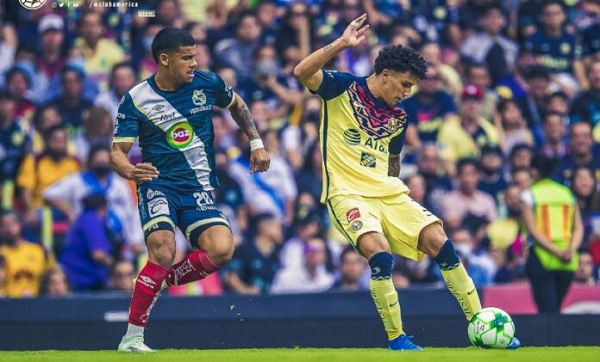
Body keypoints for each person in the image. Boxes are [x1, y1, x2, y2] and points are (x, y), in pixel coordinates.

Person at [292, 14, 520, 350]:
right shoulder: (341, 88)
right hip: (347, 194)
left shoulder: (399, 118)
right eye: (404, 85)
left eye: (411, 87)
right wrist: (341, 43)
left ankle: (479, 321)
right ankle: (398, 338)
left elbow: (392, 162)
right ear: (384, 76)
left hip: (387, 192)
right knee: (380, 254)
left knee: (439, 240)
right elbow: (301, 72)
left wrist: (394, 188)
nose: (407, 93)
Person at [110, 28, 269, 352]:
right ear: (164, 59)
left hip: (197, 188)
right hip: (158, 184)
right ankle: (132, 338)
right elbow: (116, 152)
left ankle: (160, 282)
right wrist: (130, 170)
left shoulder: (207, 84)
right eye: (187, 57)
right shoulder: (137, 99)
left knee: (223, 249)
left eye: (195, 55)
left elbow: (237, 104)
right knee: (163, 250)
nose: (194, 63)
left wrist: (256, 142)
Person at [522, 156, 584, 313]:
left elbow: (533, 231)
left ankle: (551, 338)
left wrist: (556, 251)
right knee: (556, 306)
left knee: (547, 310)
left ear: (535, 172)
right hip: (568, 259)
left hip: (542, 257)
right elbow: (578, 228)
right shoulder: (567, 193)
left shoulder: (529, 194)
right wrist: (571, 249)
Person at [59, 194, 114, 291]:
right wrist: (112, 262)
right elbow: (98, 255)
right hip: (82, 282)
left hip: (77, 279)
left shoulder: (82, 219)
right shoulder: (91, 220)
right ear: (103, 208)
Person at [0, 210, 52, 297]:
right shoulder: (2, 253)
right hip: (8, 305)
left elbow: (52, 277)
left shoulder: (38, 250)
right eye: (4, 225)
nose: (8, 229)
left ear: (19, 225)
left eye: (12, 224)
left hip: (38, 303)